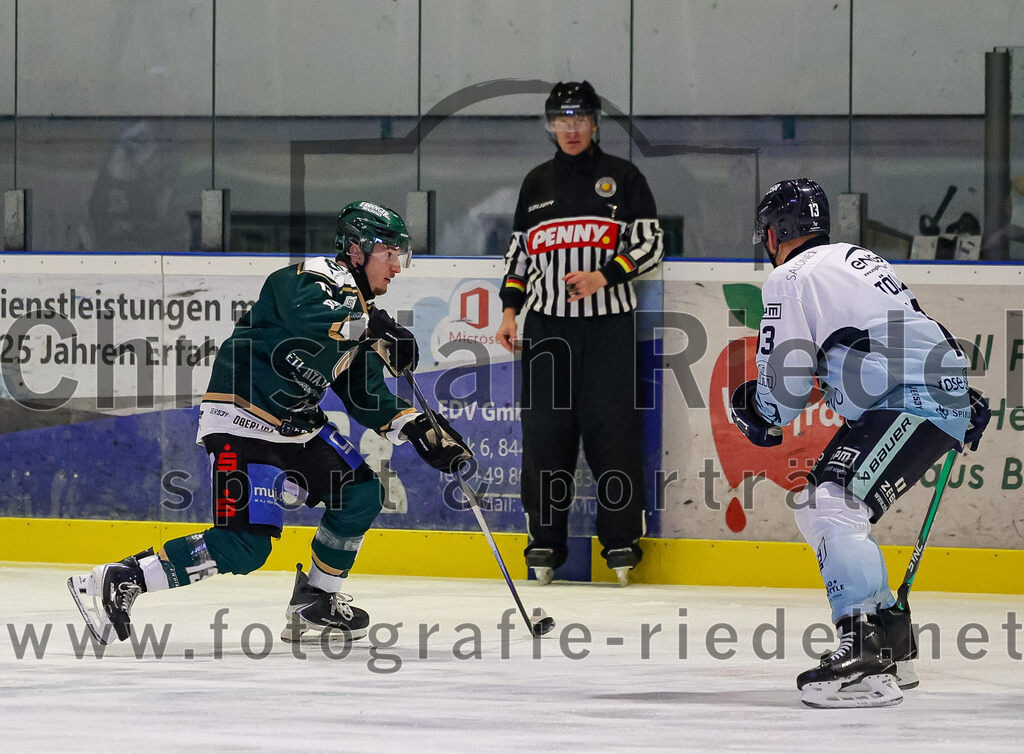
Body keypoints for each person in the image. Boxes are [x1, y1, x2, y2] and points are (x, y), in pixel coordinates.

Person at [69, 201, 472, 645]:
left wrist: (417, 427)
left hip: (298, 427)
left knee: (360, 494)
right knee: (244, 547)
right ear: (356, 250)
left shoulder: (362, 312)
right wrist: (374, 327)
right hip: (242, 420)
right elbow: (308, 318)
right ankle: (121, 577)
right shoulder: (304, 279)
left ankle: (314, 602)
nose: (398, 266)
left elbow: (364, 392)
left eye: (401, 256)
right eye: (389, 254)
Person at [730, 179, 991, 708]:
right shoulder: (857, 258)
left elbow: (785, 387)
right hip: (926, 393)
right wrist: (958, 390)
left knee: (833, 502)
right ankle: (892, 641)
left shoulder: (790, 277)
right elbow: (914, 324)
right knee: (818, 504)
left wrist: (756, 410)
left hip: (911, 397)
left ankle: (866, 654)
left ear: (777, 232)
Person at [495, 81, 664, 586]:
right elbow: (519, 255)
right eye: (561, 119)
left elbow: (652, 245)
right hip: (547, 330)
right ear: (550, 125)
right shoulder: (536, 182)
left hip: (610, 327)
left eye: (579, 119)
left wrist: (603, 276)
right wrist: (509, 311)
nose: (570, 128)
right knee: (546, 438)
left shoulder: (624, 178)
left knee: (613, 434)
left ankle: (619, 544)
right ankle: (544, 546)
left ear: (595, 124)